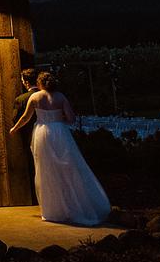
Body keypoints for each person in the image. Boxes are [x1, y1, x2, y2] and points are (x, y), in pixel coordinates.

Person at [9, 71, 110, 226]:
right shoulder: (61, 97)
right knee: (69, 168)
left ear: (40, 83)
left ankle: (53, 210)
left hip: (43, 133)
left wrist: (14, 128)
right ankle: (74, 204)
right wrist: (57, 119)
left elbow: (25, 117)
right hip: (61, 133)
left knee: (47, 170)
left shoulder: (35, 97)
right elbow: (71, 119)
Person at [9, 68, 39, 198]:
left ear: (26, 82)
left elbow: (16, 118)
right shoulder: (49, 95)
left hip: (29, 134)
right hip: (53, 132)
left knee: (33, 165)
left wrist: (15, 128)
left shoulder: (22, 99)